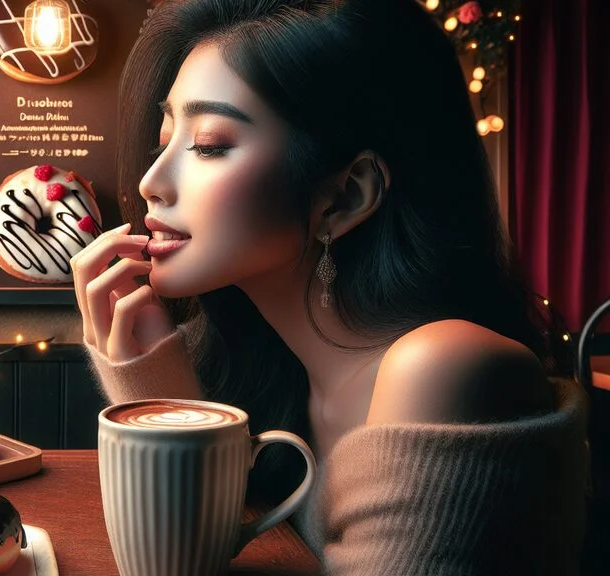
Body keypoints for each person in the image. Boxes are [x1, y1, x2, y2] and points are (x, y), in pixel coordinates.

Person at [72, 0, 589, 573]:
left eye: (210, 143)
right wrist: (153, 382)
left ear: (345, 196)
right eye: (163, 139)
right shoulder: (258, 365)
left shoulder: (445, 367)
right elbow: (196, 556)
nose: (151, 183)